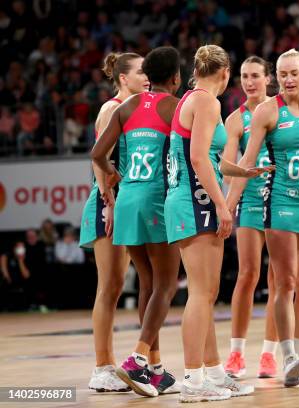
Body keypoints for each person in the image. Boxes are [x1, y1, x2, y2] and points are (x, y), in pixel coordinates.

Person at [164, 44, 267, 403]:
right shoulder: (208, 102)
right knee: (201, 294)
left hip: (188, 199)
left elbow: (210, 158)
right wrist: (223, 206)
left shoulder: (189, 98)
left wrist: (242, 171)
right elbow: (197, 159)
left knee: (205, 294)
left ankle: (212, 371)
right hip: (195, 201)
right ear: (225, 74)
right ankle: (193, 380)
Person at [227, 48, 299, 387]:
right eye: (283, 73)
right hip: (281, 202)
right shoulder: (267, 111)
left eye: (294, 73)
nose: (288, 79)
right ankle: (286, 355)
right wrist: (226, 204)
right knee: (284, 282)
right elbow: (245, 161)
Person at [91, 46, 183, 397]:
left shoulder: (126, 107)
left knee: (148, 284)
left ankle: (154, 369)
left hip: (127, 200)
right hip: (156, 201)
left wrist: (119, 178)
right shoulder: (175, 106)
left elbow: (97, 154)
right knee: (167, 285)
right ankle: (137, 359)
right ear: (175, 78)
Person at [79, 51, 148, 393]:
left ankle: (144, 363)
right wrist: (108, 200)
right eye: (140, 71)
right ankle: (101, 367)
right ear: (123, 78)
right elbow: (99, 158)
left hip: (126, 202)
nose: (147, 75)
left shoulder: (140, 108)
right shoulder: (111, 108)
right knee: (108, 286)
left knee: (123, 284)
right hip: (108, 203)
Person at [222, 56, 279, 379]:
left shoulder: (281, 110)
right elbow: (227, 170)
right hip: (252, 201)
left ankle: (269, 354)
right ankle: (236, 353)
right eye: (244, 76)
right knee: (247, 275)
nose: (250, 82)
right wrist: (242, 173)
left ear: (267, 78)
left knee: (278, 281)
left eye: (256, 75)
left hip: (282, 200)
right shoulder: (235, 120)